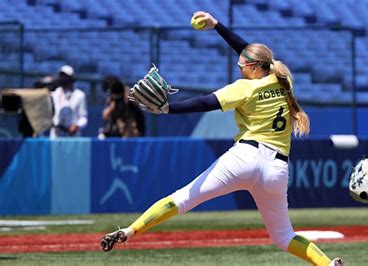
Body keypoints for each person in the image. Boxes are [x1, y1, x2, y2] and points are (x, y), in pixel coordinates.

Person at [100, 11, 343, 266]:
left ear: (252, 66)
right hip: (277, 168)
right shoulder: (283, 80)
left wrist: (168, 109)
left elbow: (206, 102)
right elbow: (250, 52)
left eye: (242, 63)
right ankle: (327, 264)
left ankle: (130, 230)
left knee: (183, 198)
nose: (238, 65)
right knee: (284, 236)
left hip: (245, 157)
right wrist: (217, 26)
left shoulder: (244, 88)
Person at [50, 65, 88, 137]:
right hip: (56, 135)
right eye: (61, 76)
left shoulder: (79, 95)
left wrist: (77, 125)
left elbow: (83, 118)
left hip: (72, 136)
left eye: (65, 76)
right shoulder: (55, 94)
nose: (62, 79)